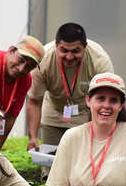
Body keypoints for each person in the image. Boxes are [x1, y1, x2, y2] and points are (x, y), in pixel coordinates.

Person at [26, 22, 114, 158]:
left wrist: (102, 130)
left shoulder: (100, 61)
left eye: (75, 51)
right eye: (64, 50)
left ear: (85, 47)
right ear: (56, 46)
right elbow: (34, 102)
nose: (69, 57)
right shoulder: (42, 61)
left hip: (85, 114)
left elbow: (106, 102)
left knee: (83, 161)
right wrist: (32, 137)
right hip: (53, 113)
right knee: (51, 164)